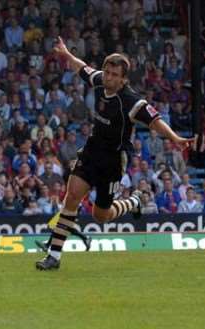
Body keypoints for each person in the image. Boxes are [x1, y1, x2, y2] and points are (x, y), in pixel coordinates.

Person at [36, 37, 194, 270]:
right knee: (71, 197)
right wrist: (67, 55)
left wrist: (175, 139)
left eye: (113, 74)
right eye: (107, 71)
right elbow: (83, 68)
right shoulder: (99, 81)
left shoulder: (132, 101)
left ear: (123, 79)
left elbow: (156, 120)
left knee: (101, 216)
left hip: (112, 161)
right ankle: (54, 257)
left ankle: (135, 200)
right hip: (91, 151)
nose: (108, 77)